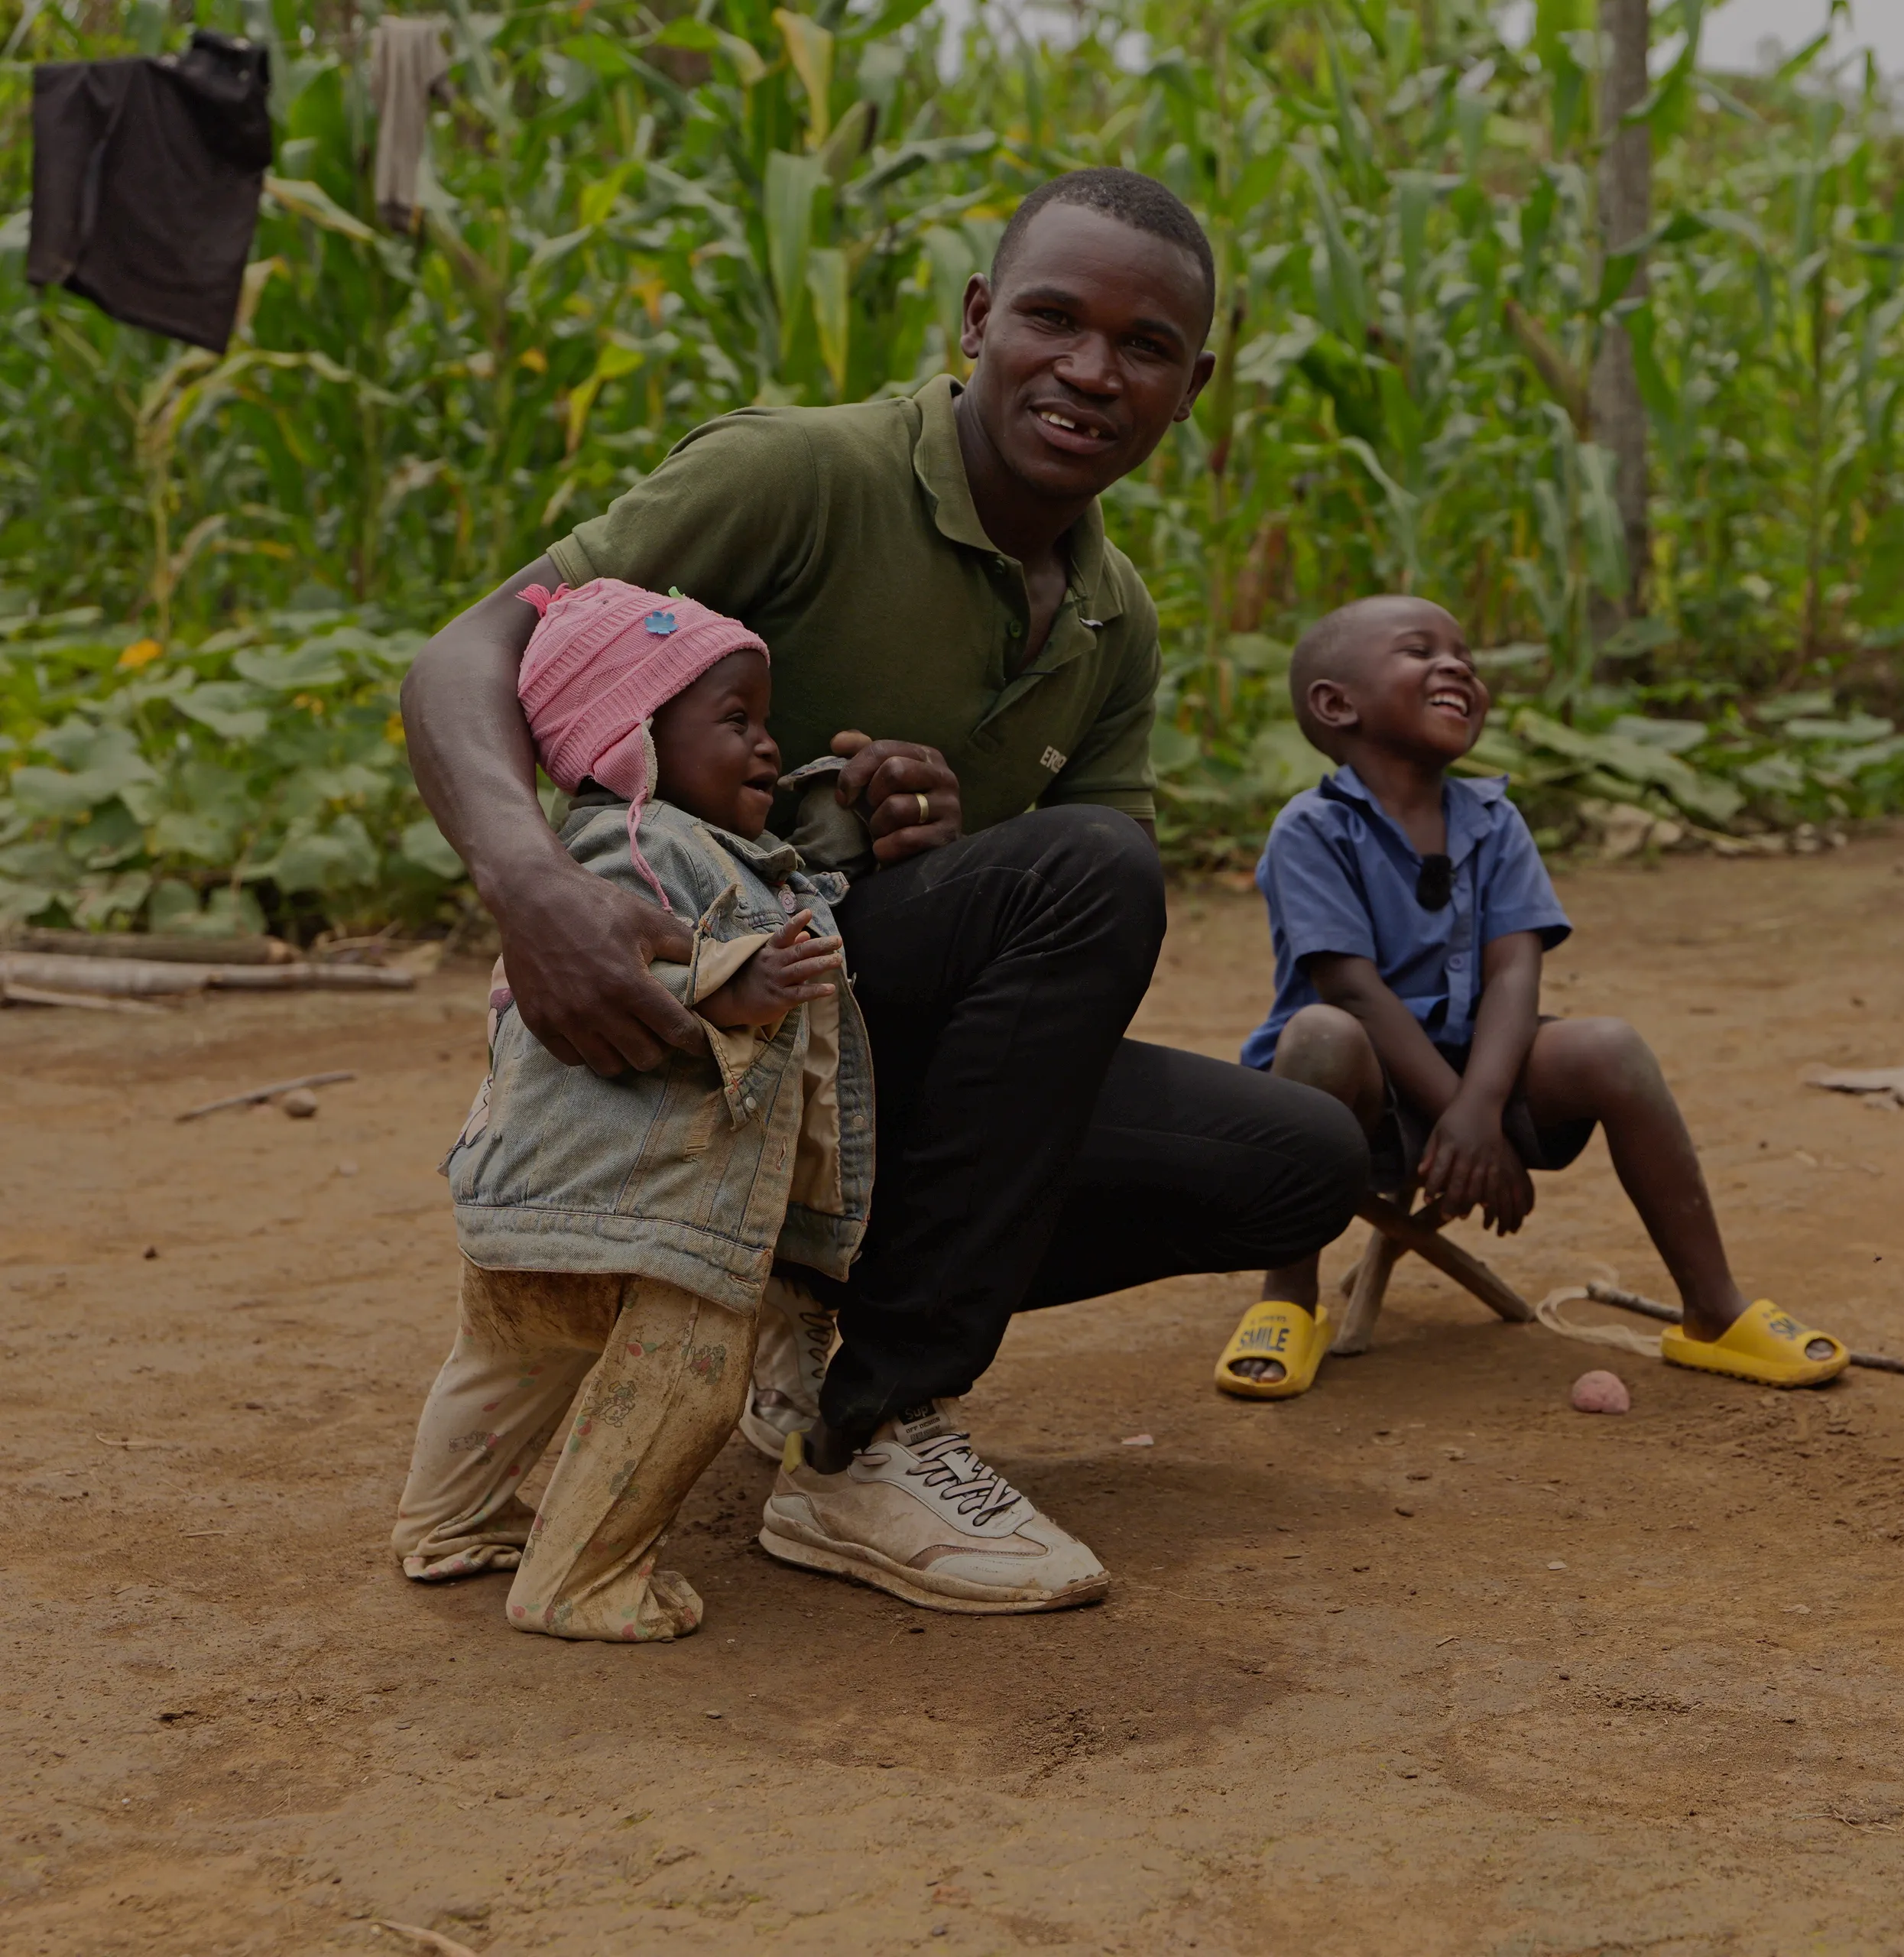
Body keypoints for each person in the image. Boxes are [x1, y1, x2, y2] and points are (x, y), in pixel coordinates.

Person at [401, 168, 1366, 1617]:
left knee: (1303, 1162)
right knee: (1088, 869)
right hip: (693, 1030)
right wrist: (532, 888)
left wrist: (946, 840)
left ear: (1193, 388)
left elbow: (1068, 942)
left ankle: (810, 1313)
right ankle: (873, 1438)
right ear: (979, 319)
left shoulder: (1113, 620)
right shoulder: (801, 476)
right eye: (1053, 318)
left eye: (1146, 347)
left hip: (849, 1044)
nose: (1091, 369)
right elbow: (467, 652)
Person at [1213, 594, 1848, 1400]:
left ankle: (1714, 1311)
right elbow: (1355, 991)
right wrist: (1467, 1119)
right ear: (1338, 704)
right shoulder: (1311, 829)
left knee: (1611, 1048)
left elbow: (1516, 973)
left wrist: (1481, 1109)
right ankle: (1287, 1299)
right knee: (1320, 1033)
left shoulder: (1495, 820)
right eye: (1419, 651)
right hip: (1355, 1107)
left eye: (1465, 656)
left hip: (1486, 1077)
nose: (1457, 666)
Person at [392, 579, 864, 1641]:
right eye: (735, 720)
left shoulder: (591, 855)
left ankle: (449, 1520)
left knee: (509, 1367)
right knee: (684, 1385)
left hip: (536, 1196)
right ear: (629, 740)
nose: (767, 745)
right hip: (653, 1214)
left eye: (766, 721)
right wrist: (730, 979)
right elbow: (631, 969)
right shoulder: (642, 845)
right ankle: (582, 1580)